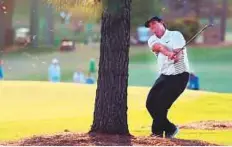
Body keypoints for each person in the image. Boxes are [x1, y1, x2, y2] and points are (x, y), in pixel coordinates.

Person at [145, 16, 190, 138]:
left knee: (161, 105)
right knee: (150, 103)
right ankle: (170, 128)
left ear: (162, 23)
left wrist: (176, 56)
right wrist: (169, 53)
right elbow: (159, 47)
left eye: (154, 23)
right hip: (165, 75)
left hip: (179, 75)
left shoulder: (175, 35)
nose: (152, 27)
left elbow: (179, 55)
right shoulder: (152, 40)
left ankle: (157, 132)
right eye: (150, 25)